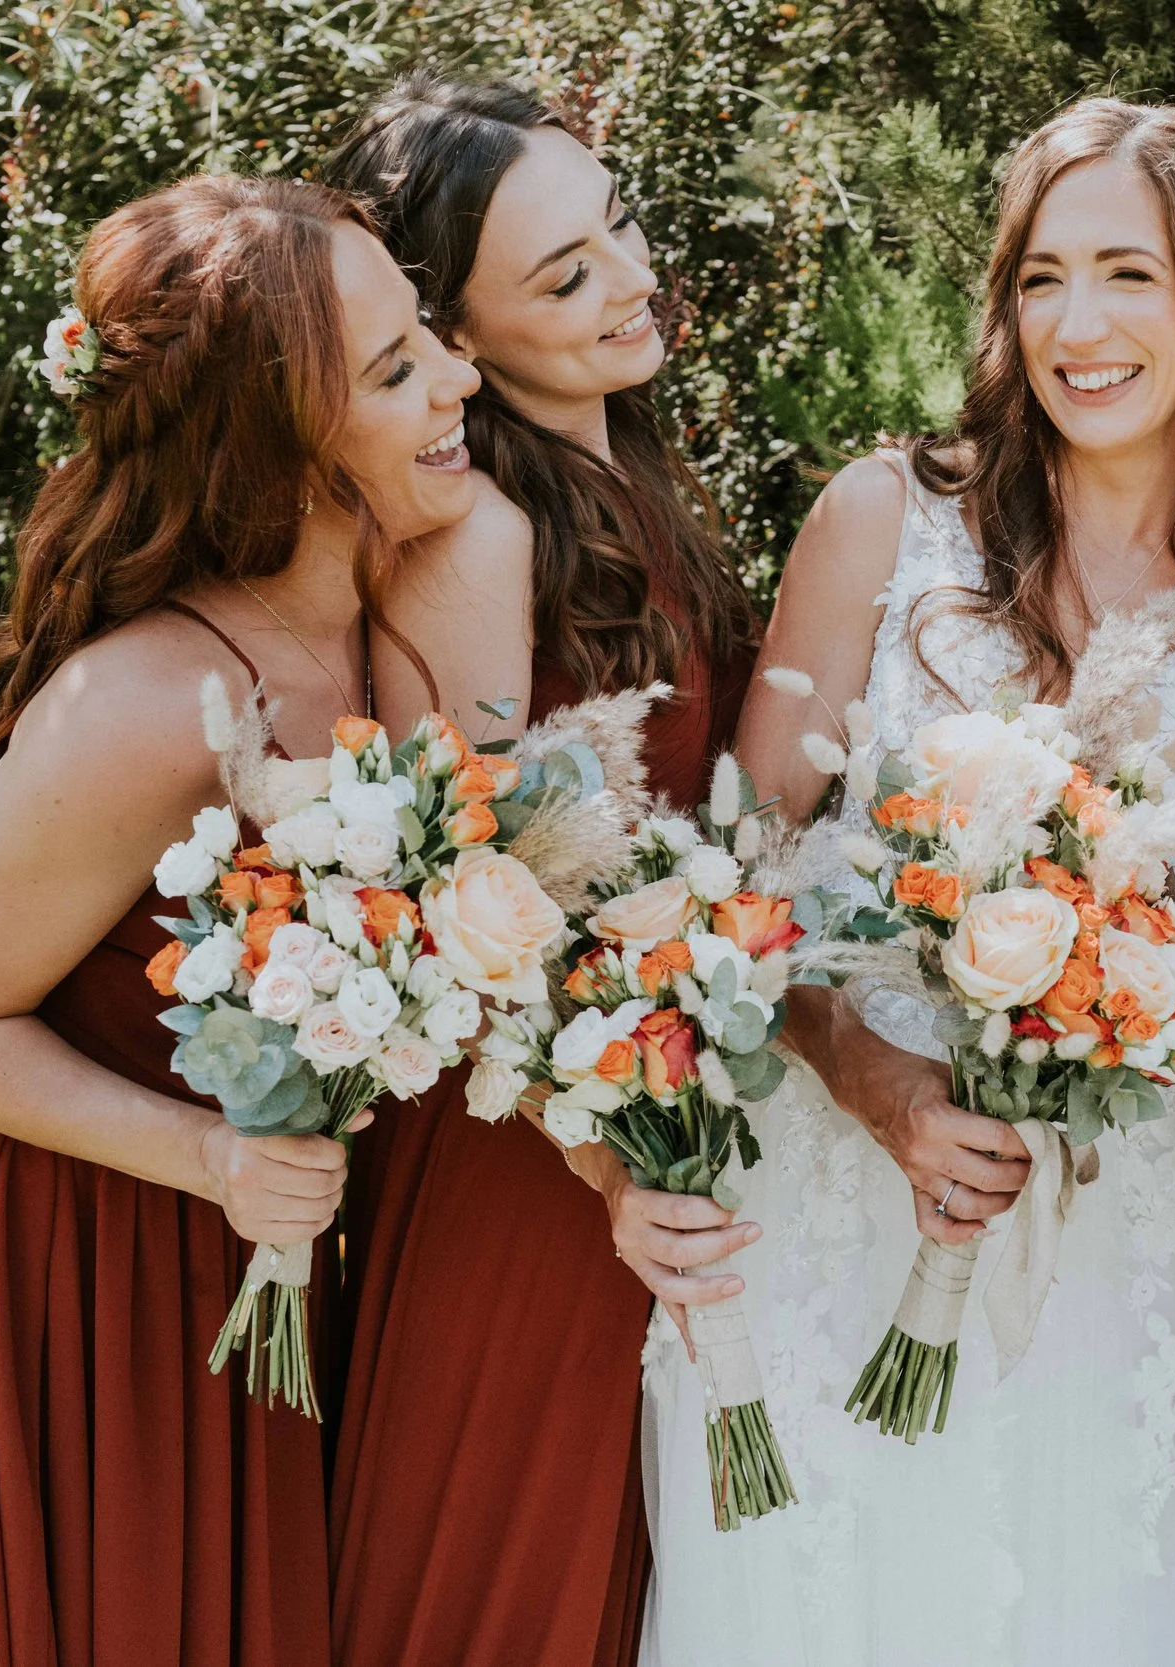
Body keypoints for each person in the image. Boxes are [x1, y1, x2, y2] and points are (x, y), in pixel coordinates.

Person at [642, 100, 1175, 1667]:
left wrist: (1155, 1001)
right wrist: (861, 1068)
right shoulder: (887, 522)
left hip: (1108, 1216)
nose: (1076, 328)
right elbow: (734, 870)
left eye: (1128, 277)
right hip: (837, 1189)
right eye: (1041, 277)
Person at [0, 175, 482, 1666]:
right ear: (276, 444)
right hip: (36, 1217)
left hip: (228, 1212)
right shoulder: (148, 701)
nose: (457, 375)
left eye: (424, 328)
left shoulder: (413, 590)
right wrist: (214, 1157)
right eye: (393, 371)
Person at [319, 76, 759, 1667]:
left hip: (642, 1114)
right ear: (455, 336)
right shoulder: (480, 533)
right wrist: (617, 1170)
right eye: (564, 278)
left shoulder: (625, 477)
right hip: (540, 1164)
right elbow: (469, 894)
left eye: (617, 227)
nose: (630, 278)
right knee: (510, 1588)